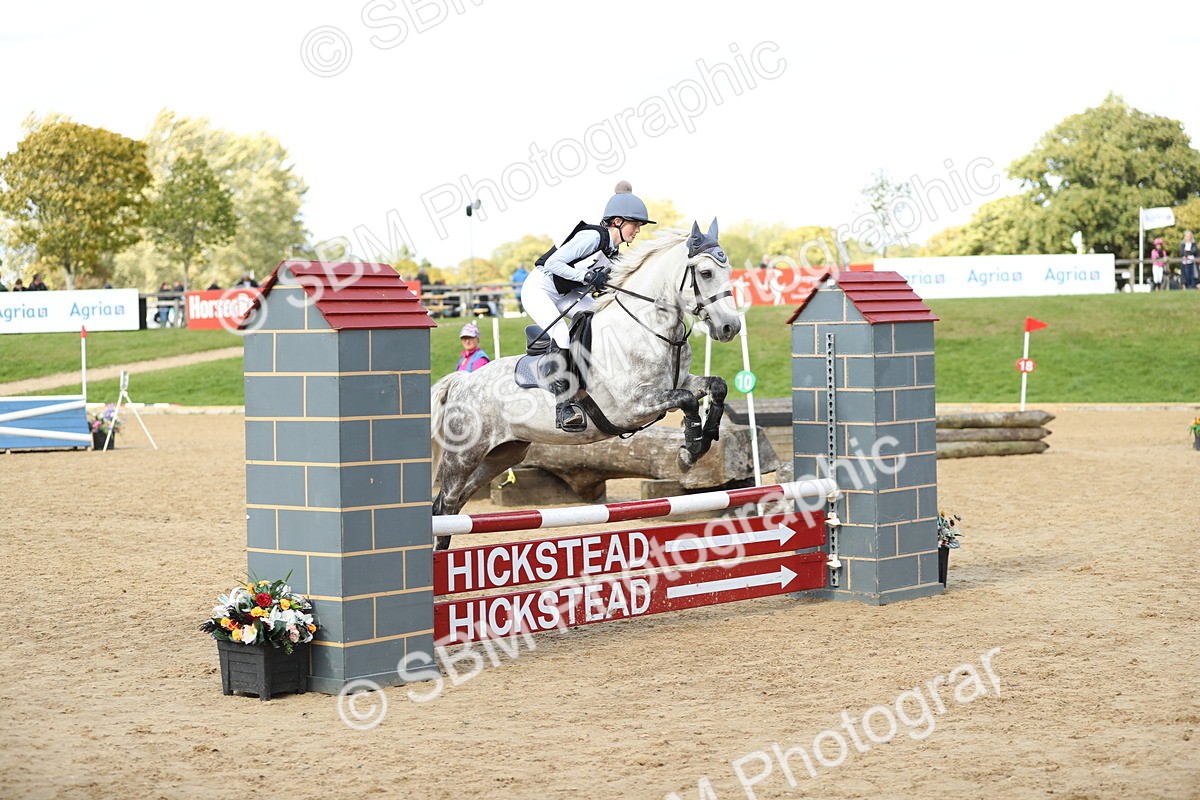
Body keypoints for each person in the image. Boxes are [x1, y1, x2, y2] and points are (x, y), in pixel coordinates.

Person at [521, 181, 654, 430]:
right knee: (561, 334)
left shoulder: (614, 254)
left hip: (566, 293)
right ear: (617, 221)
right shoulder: (593, 237)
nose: (638, 230)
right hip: (539, 289)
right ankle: (563, 406)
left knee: (602, 317)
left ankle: (596, 377)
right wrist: (587, 277)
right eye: (635, 224)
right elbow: (552, 263)